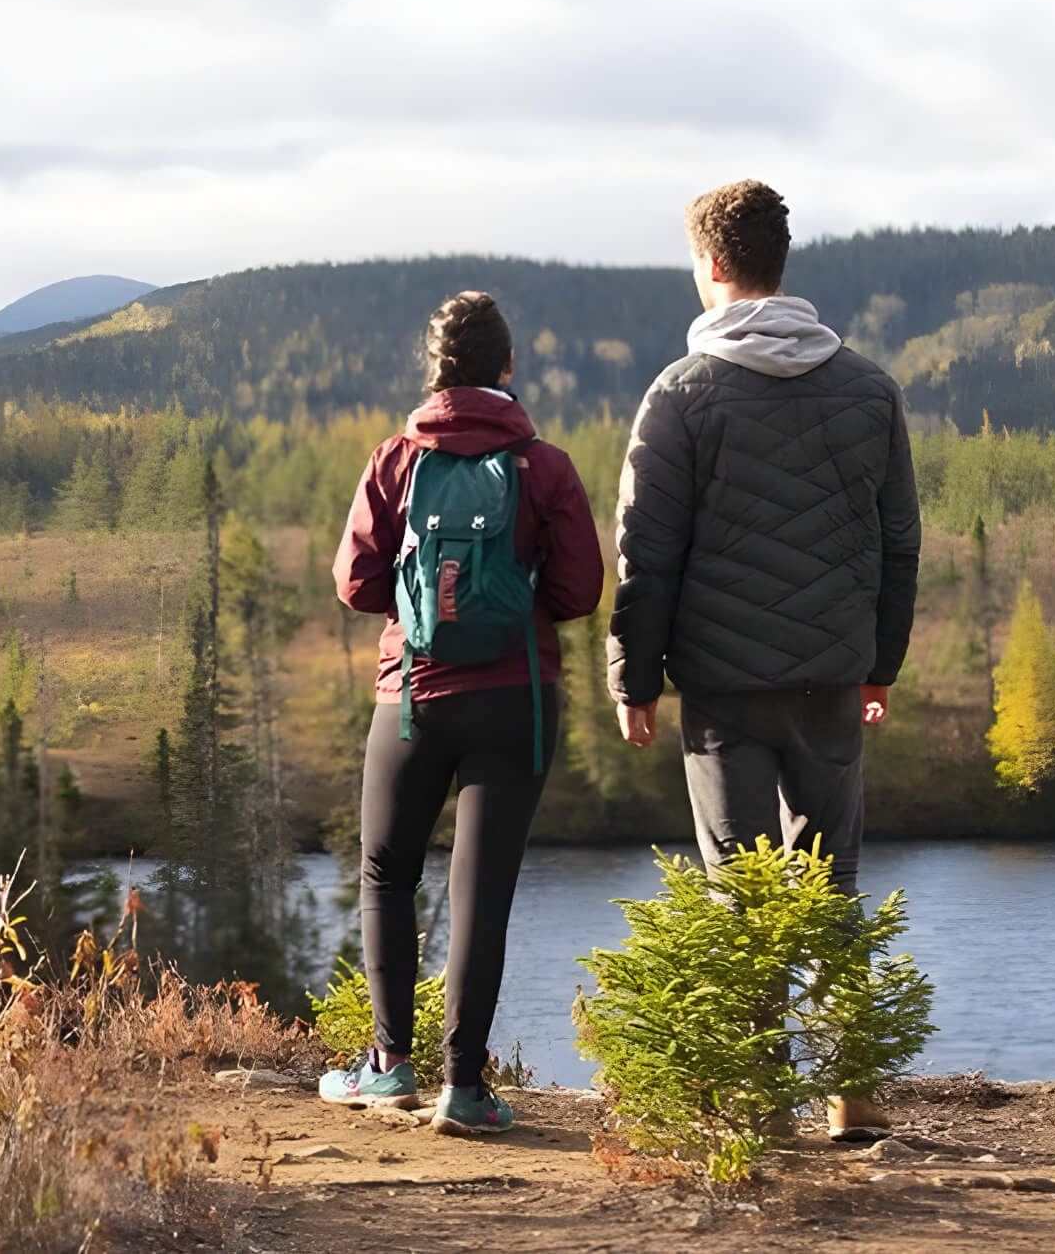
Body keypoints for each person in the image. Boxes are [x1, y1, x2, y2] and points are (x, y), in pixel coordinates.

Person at [605, 178, 920, 1140]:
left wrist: (635, 678)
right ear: (782, 267)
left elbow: (645, 554)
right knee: (832, 881)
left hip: (722, 690)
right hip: (832, 679)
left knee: (734, 888)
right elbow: (899, 540)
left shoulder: (680, 394)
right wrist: (880, 669)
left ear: (709, 269)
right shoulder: (868, 387)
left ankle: (757, 1100)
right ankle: (854, 1093)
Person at [321, 290, 604, 1136]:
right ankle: (465, 1088)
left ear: (436, 369)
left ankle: (388, 1067)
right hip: (515, 698)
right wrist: (515, 600)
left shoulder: (395, 460)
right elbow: (580, 590)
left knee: (387, 874)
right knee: (481, 892)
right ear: (506, 369)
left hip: (410, 698)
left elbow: (355, 584)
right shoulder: (543, 465)